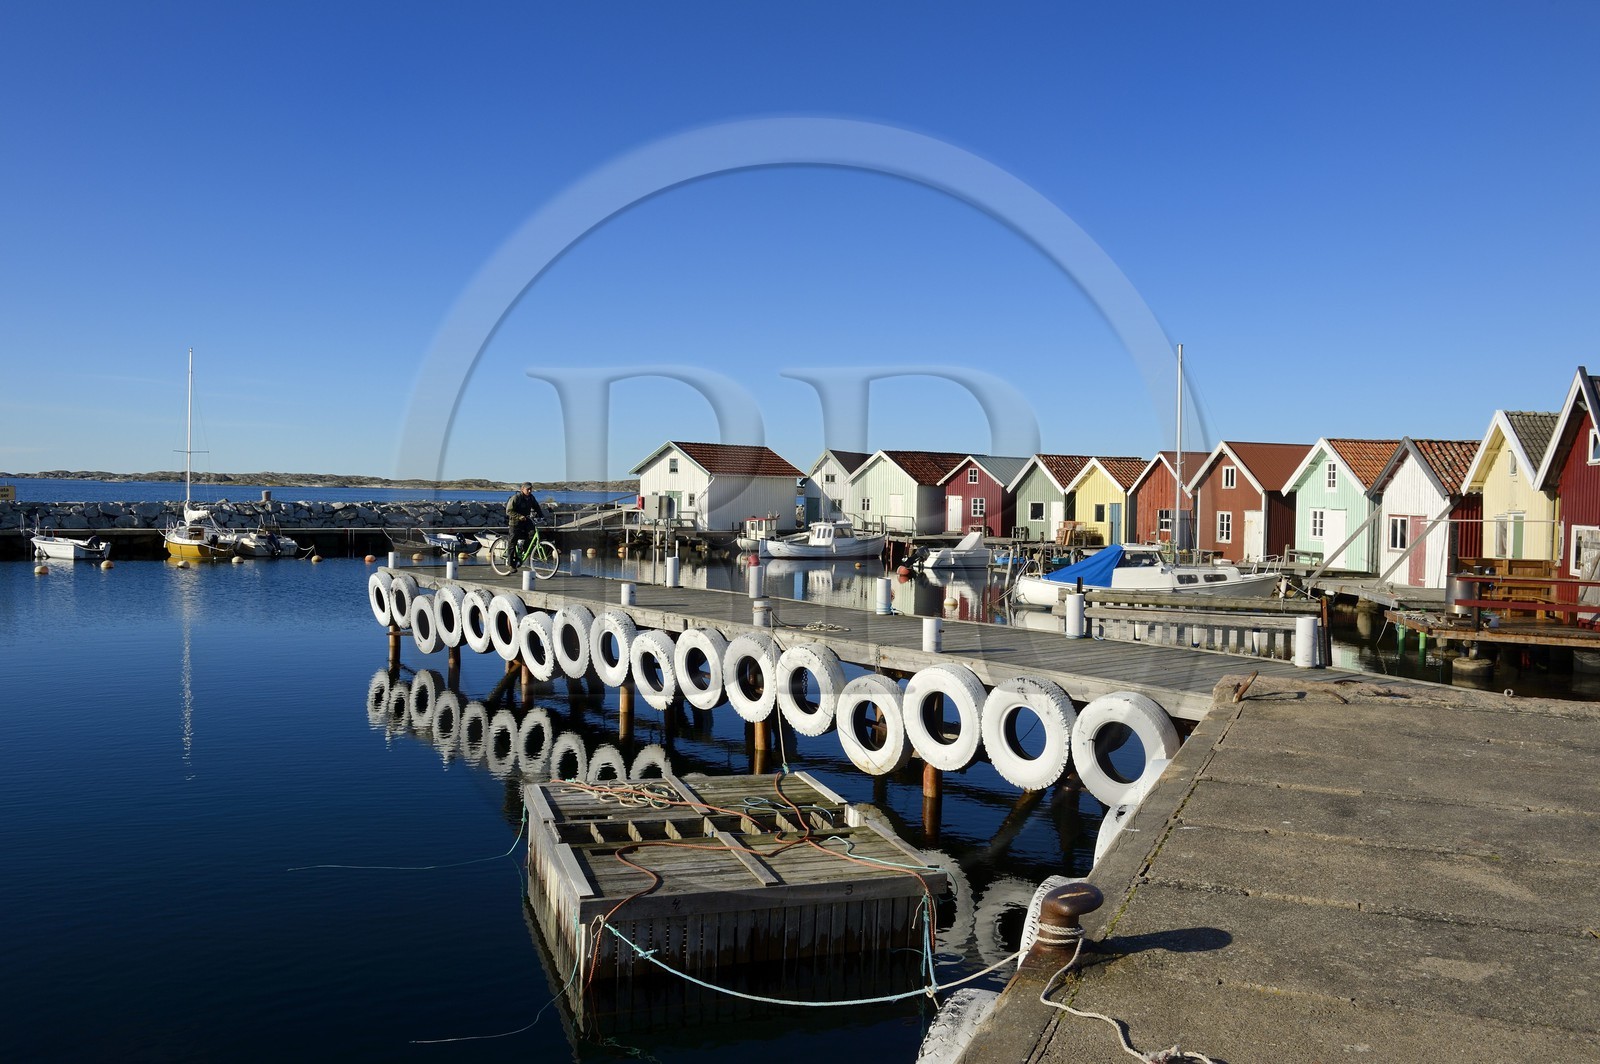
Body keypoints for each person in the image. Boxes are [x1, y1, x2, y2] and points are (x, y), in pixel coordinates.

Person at [506, 482, 546, 562]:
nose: (530, 491)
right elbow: (509, 511)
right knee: (513, 541)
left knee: (532, 533)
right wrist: (519, 516)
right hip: (515, 522)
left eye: (531, 489)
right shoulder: (516, 498)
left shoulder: (531, 498)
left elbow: (537, 507)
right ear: (522, 489)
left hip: (526, 520)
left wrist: (542, 516)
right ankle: (510, 563)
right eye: (528, 489)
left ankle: (524, 550)